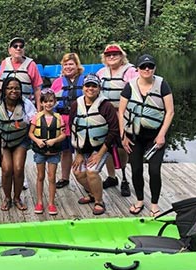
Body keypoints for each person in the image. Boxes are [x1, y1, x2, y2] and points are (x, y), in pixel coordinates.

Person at [119, 54, 175, 217]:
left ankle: (155, 204)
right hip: (134, 136)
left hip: (155, 137)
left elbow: (170, 111)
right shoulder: (130, 86)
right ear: (137, 69)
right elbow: (121, 112)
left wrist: (162, 135)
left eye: (150, 66)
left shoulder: (162, 84)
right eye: (143, 67)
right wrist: (123, 136)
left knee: (154, 170)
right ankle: (139, 200)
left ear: (154, 68)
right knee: (136, 170)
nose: (147, 69)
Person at [0, 37, 43, 189]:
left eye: (21, 46)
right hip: (4, 108)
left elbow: (38, 88)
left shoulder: (30, 64)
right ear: (10, 49)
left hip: (23, 109)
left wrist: (39, 110)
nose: (18, 48)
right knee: (0, 143)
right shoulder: (4, 63)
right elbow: (1, 85)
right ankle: (4, 174)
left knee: (21, 143)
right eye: (15, 46)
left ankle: (21, 176)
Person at [70, 74, 120, 216]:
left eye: (94, 86)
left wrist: (100, 153)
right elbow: (72, 127)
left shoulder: (106, 106)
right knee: (78, 173)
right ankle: (92, 193)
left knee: (92, 172)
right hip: (82, 147)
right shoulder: (76, 105)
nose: (90, 89)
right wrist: (78, 152)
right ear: (83, 87)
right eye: (88, 86)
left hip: (101, 147)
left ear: (99, 88)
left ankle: (99, 201)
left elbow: (114, 130)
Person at [96, 44, 137, 196]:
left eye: (115, 54)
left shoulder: (130, 71)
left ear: (122, 56)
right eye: (108, 55)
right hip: (106, 114)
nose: (112, 57)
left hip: (123, 114)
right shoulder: (101, 72)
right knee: (107, 145)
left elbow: (138, 91)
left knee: (122, 147)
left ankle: (125, 178)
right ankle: (112, 176)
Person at [0, 77, 37, 211]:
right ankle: (7, 198)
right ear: (4, 90)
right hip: (1, 140)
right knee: (6, 169)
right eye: (10, 88)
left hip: (20, 139)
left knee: (18, 169)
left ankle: (17, 198)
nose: (14, 91)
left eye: (17, 88)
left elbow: (34, 119)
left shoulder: (26, 104)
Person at [28, 89, 66, 215]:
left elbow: (63, 135)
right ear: (42, 103)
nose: (48, 104)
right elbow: (31, 133)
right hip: (40, 152)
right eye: (46, 101)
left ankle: (51, 203)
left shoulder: (58, 117)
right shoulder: (36, 117)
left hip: (54, 153)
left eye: (51, 101)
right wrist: (38, 141)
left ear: (55, 102)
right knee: (40, 176)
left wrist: (54, 140)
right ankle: (39, 201)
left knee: (52, 177)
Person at [50, 53, 84, 189]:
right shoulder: (57, 83)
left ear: (77, 65)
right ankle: (65, 178)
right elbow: (50, 103)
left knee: (82, 150)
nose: (68, 67)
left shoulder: (85, 80)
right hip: (62, 121)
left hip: (81, 121)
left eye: (71, 64)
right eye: (65, 64)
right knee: (65, 151)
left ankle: (85, 177)